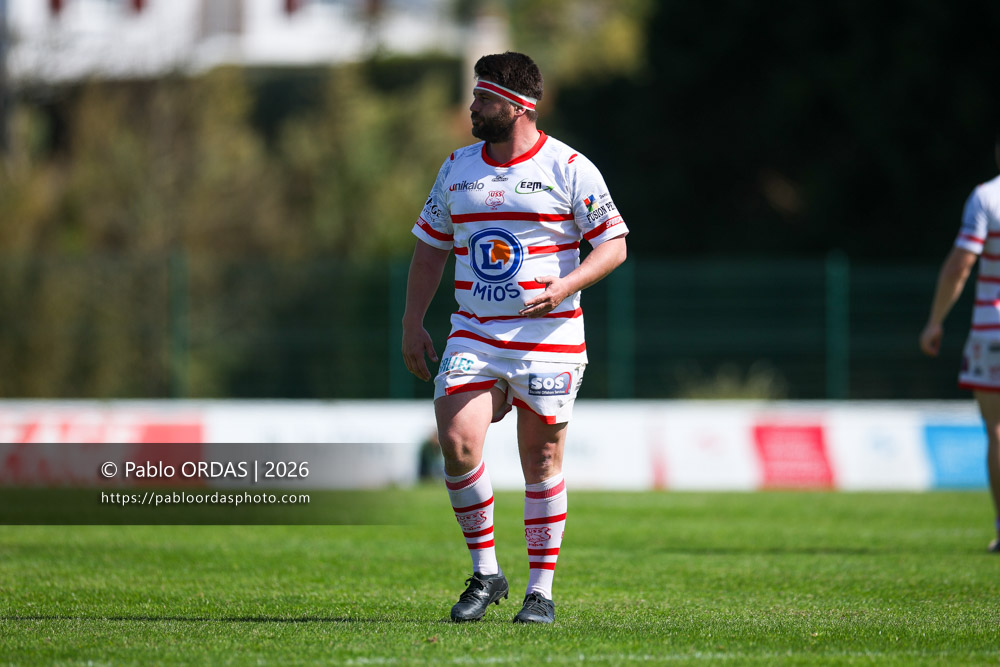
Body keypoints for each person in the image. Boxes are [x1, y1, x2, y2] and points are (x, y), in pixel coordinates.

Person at [401, 51, 628, 623]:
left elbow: (613, 245)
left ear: (518, 106)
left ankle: (540, 593)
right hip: (474, 333)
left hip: (549, 335)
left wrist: (565, 286)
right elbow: (429, 250)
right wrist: (411, 322)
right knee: (457, 442)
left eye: (483, 98)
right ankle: (486, 574)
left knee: (541, 458)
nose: (473, 107)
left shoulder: (569, 167)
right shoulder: (456, 168)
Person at [920, 130, 1000, 552]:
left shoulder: (987, 197)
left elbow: (960, 265)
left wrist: (935, 321)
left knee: (998, 431)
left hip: (992, 328)